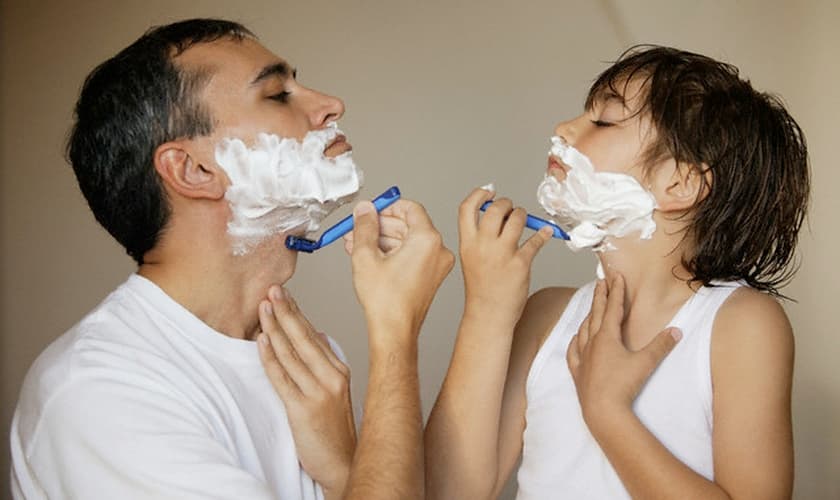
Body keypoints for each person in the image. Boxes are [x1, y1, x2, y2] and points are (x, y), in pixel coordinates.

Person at [10, 18, 453, 500]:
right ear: (195, 170)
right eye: (278, 94)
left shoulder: (311, 367)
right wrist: (395, 336)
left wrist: (346, 469)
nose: (331, 105)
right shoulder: (101, 393)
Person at [425, 46, 809, 499]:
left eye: (603, 120)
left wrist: (607, 410)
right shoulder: (547, 316)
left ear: (679, 184)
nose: (563, 129)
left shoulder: (740, 324)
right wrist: (485, 310)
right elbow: (446, 493)